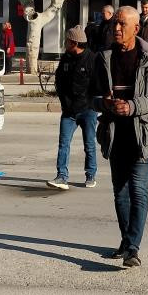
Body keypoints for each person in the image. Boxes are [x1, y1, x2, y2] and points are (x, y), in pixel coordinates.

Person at [91, 6, 148, 268]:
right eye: (114, 23)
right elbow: (91, 97)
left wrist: (133, 106)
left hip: (144, 135)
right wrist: (104, 104)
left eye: (122, 24)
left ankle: (133, 247)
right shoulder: (103, 58)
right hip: (115, 136)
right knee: (120, 194)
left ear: (136, 29)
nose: (116, 28)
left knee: (138, 190)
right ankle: (126, 242)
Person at [46, 26, 98, 190]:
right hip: (69, 112)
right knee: (63, 144)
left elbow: (98, 85)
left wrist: (93, 103)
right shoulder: (66, 58)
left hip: (88, 110)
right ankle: (62, 176)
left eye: (67, 40)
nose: (65, 43)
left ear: (74, 42)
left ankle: (90, 175)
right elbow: (59, 81)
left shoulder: (92, 59)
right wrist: (64, 102)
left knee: (89, 144)